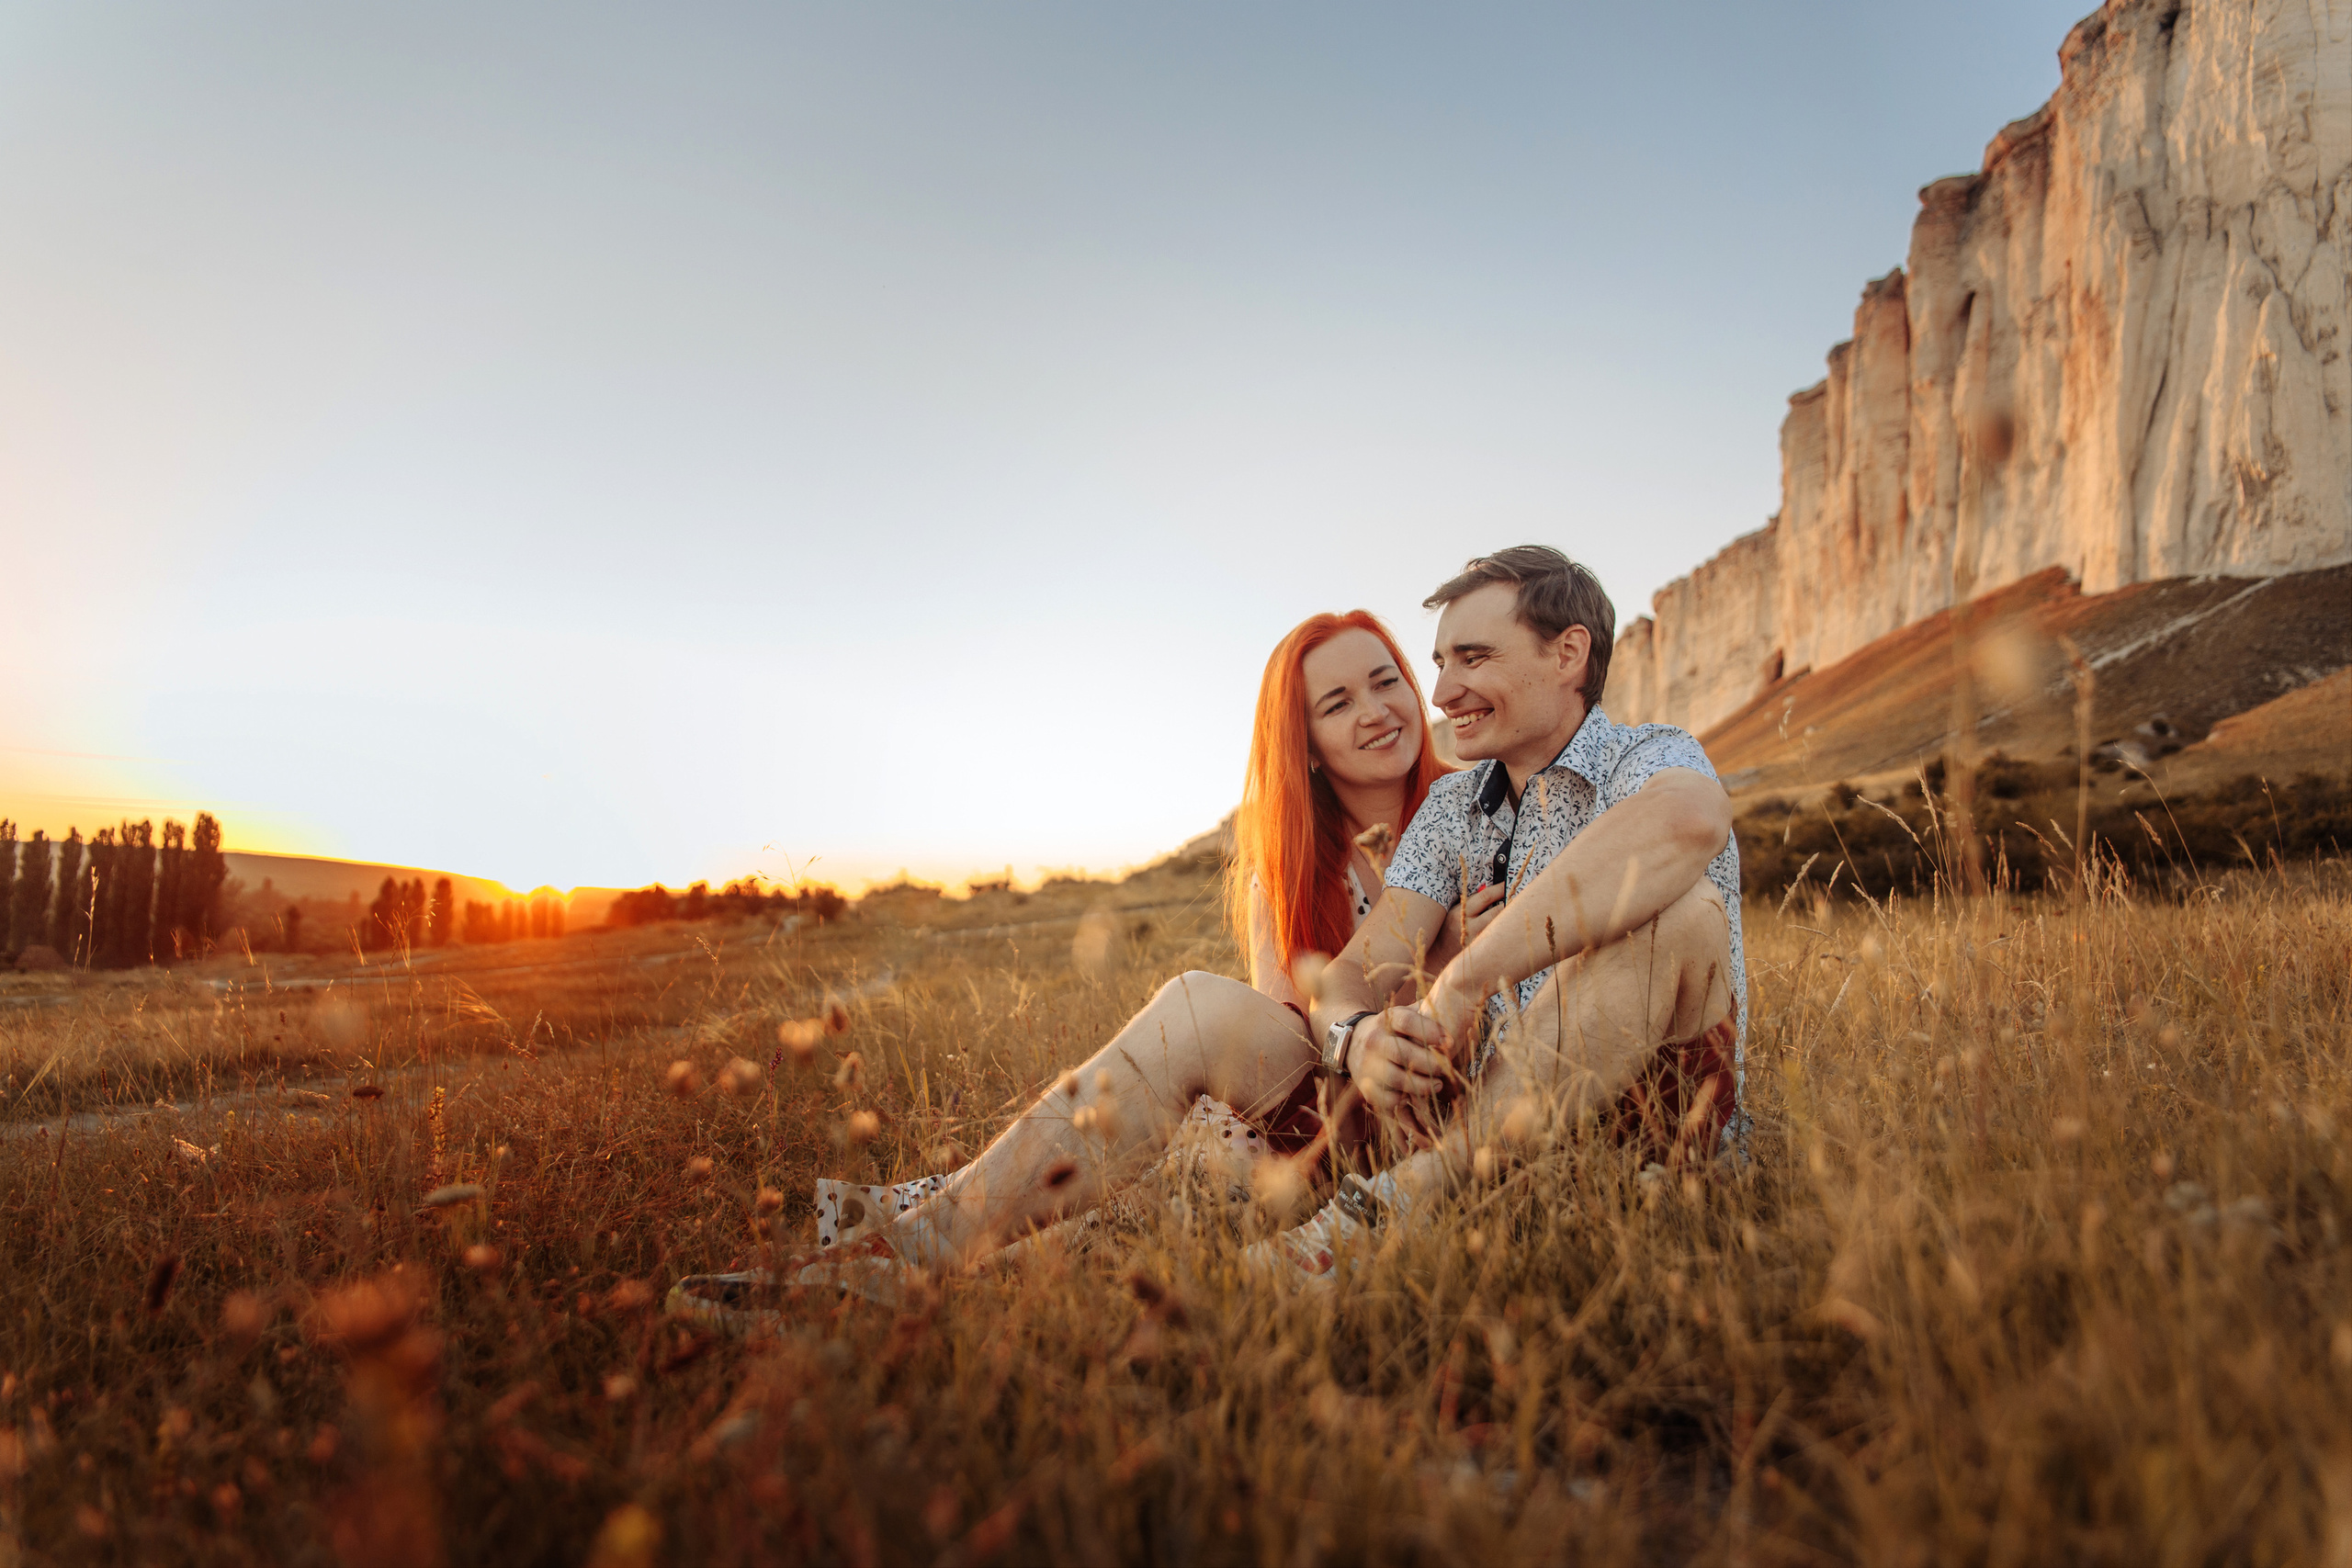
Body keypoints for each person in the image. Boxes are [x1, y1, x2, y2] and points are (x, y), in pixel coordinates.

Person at [671, 608, 1483, 1319]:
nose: (1377, 712)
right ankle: (897, 1263)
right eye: (1338, 703)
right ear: (1303, 742)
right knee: (1147, 1150)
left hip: (1449, 1115)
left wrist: (1446, 961)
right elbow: (1282, 1033)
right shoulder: (1293, 863)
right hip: (1326, 1114)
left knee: (1177, 1100)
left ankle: (907, 1253)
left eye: (1387, 683)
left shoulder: (1481, 807)